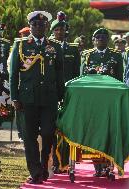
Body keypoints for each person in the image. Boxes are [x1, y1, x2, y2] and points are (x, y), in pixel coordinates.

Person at [9, 11, 65, 184]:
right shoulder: (20, 45)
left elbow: (59, 73)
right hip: (27, 98)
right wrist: (14, 98)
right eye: (35, 25)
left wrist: (61, 96)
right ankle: (35, 172)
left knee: (48, 133)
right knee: (29, 136)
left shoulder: (54, 47)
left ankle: (43, 165)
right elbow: (13, 75)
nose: (38, 27)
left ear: (47, 26)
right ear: (31, 26)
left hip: (49, 98)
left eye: (42, 25)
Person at [80, 28, 123, 177]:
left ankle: (107, 164)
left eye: (104, 37)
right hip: (92, 102)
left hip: (109, 102)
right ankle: (97, 165)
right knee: (93, 133)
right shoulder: (86, 55)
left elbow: (120, 81)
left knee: (108, 133)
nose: (100, 39)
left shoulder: (116, 56)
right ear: (93, 40)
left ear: (108, 39)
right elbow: (81, 80)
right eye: (97, 37)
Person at [50, 12, 81, 174]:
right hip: (51, 94)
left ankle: (66, 162)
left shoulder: (73, 50)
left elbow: (77, 75)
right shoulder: (47, 47)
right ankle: (54, 161)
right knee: (52, 128)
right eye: (57, 30)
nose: (60, 33)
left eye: (62, 30)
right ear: (53, 31)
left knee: (67, 129)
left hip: (68, 95)